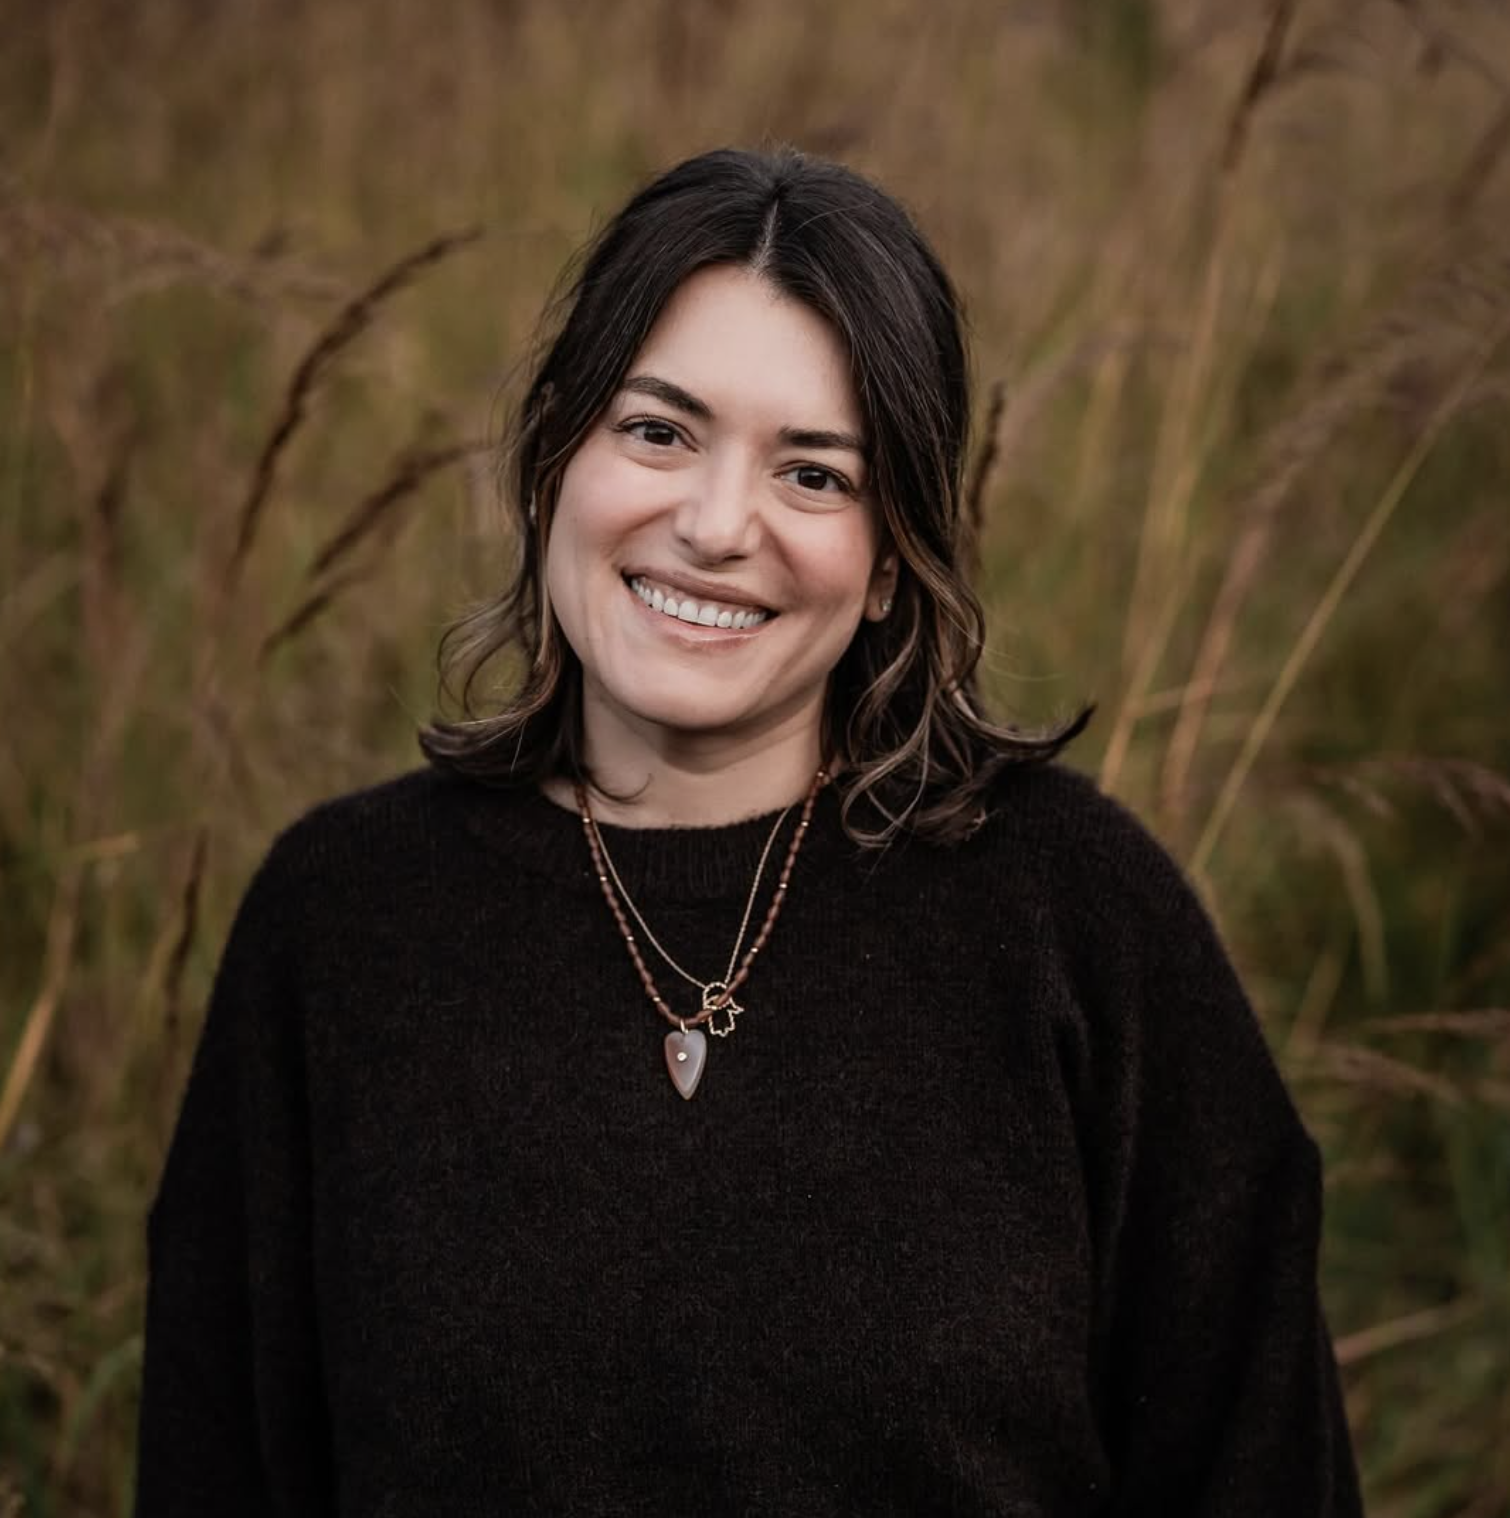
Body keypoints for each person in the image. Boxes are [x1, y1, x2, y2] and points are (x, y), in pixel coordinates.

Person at [136, 147, 1363, 1516]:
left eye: (815, 475)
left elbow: (1259, 1470)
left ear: (895, 555)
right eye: (657, 431)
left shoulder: (1078, 918)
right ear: (551, 456)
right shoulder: (344, 919)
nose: (717, 525)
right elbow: (217, 1464)